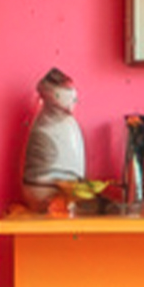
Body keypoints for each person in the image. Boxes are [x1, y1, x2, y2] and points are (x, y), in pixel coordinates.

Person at [21, 68, 86, 210]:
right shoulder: (44, 126)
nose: (71, 106)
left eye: (74, 100)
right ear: (53, 95)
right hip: (44, 190)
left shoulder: (64, 123)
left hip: (65, 189)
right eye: (63, 97)